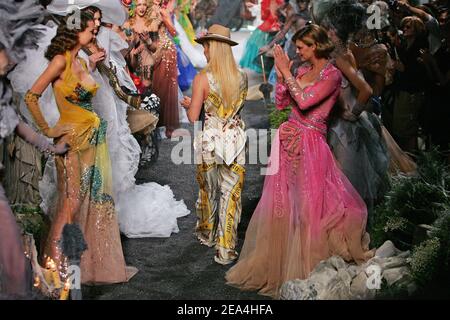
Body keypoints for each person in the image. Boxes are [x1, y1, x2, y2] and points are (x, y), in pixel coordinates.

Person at [225, 24, 373, 298]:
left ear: (315, 45)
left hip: (311, 147)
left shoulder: (332, 74)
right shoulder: (303, 71)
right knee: (285, 203)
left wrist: (283, 72)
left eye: (303, 46)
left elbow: (304, 102)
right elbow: (283, 102)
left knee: (308, 206)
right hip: (289, 141)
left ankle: (305, 261)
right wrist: (285, 77)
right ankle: (282, 257)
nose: (298, 50)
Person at [24, 11, 136, 284]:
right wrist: (48, 130)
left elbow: (84, 96)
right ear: (76, 32)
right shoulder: (60, 61)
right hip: (71, 142)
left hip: (93, 140)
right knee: (71, 202)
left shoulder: (81, 63)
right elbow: (31, 96)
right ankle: (53, 268)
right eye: (91, 30)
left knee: (91, 201)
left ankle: (80, 266)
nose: (95, 33)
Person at [0, 0, 69, 297]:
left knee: (14, 263)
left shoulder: (5, 92)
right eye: (8, 51)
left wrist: (53, 147)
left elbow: (20, 127)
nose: (13, 59)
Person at [181, 24, 248, 265]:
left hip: (209, 141)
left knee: (208, 191)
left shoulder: (202, 79)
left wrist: (190, 105)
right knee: (231, 196)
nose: (205, 52)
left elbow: (192, 117)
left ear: (213, 48)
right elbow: (237, 110)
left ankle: (207, 234)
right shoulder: (242, 76)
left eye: (206, 47)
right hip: (236, 141)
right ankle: (226, 250)